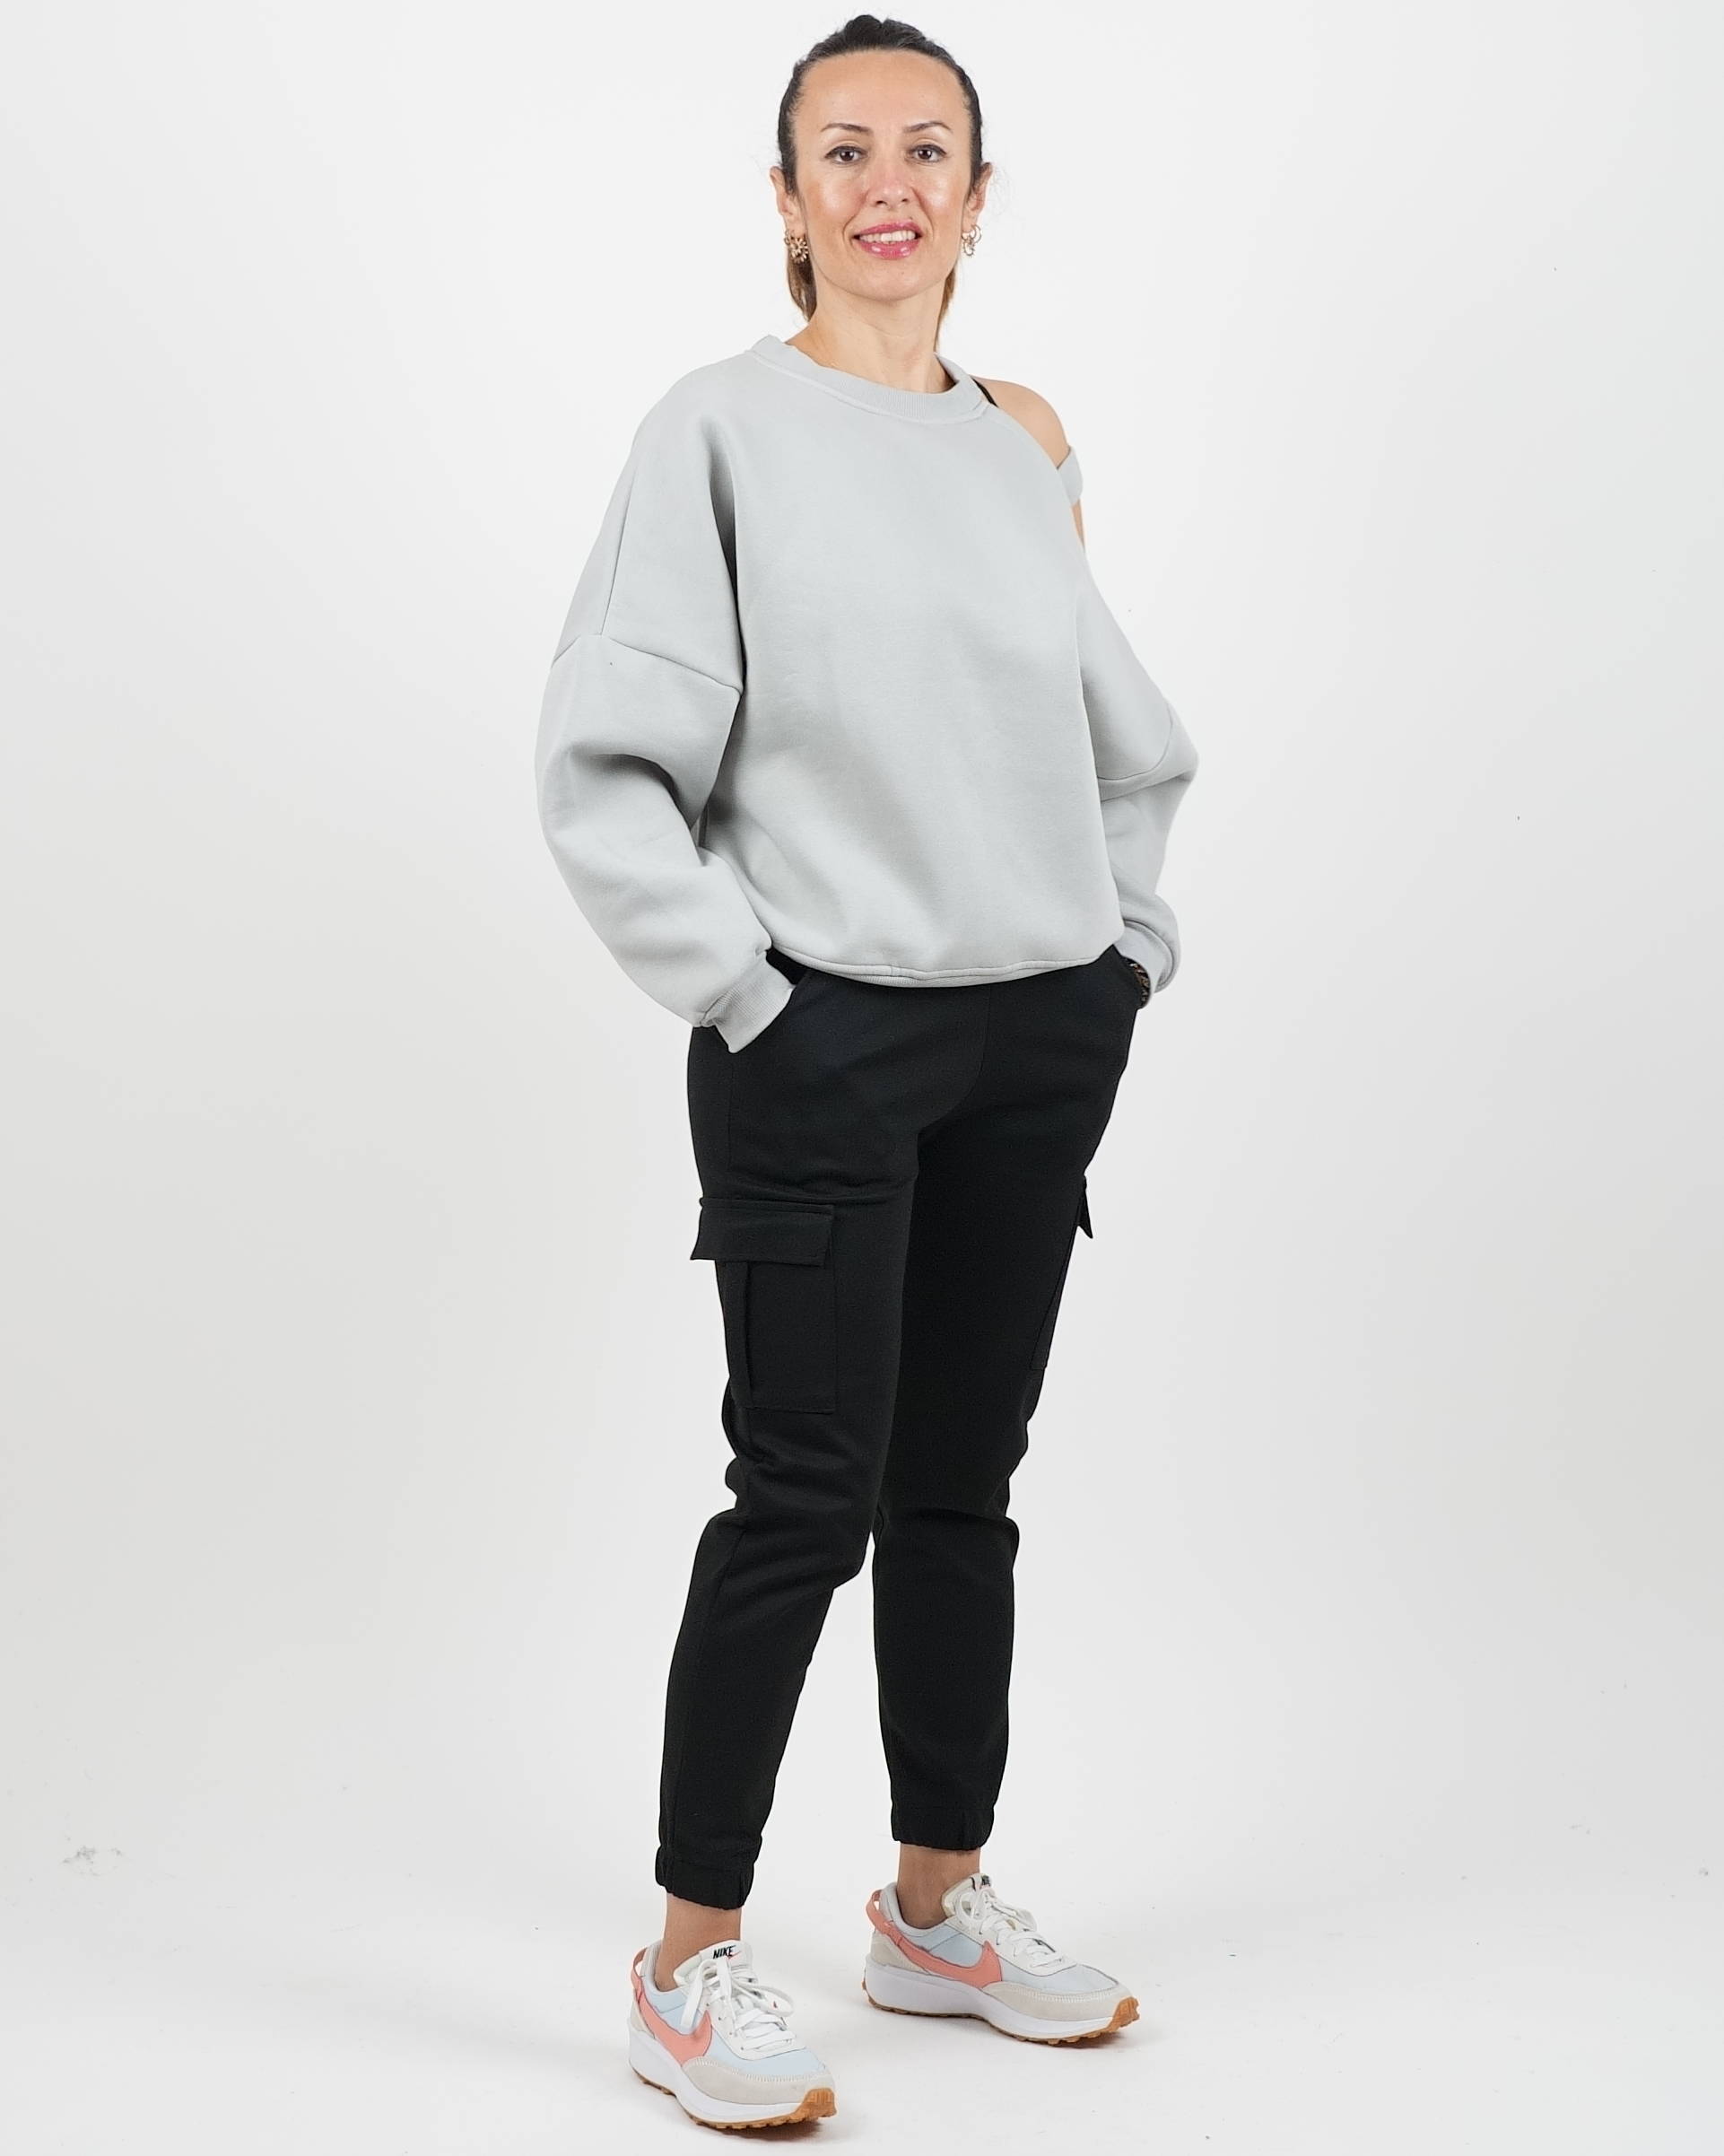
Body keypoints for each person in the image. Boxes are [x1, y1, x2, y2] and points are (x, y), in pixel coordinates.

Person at [534, 13, 1198, 2131]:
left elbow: (1100, 727)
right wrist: (750, 997)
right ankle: (685, 1961)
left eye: (927, 148)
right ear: (788, 196)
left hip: (1031, 1032)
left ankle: (933, 1905)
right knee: (801, 1496)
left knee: (958, 1491)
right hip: (816, 1032)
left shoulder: (1024, 439)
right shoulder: (716, 431)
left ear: (978, 199)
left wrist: (1118, 950)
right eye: (845, 149)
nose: (887, 182)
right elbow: (605, 766)